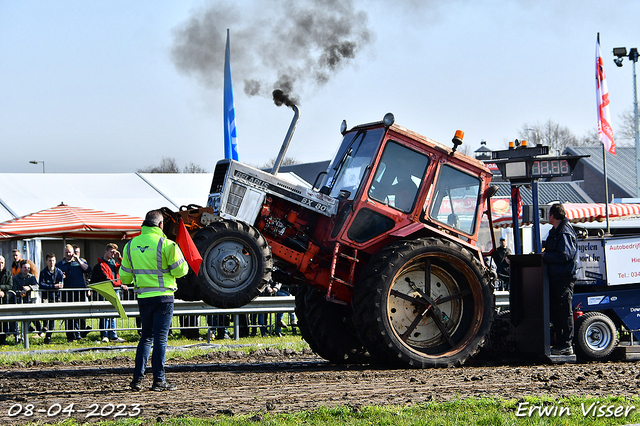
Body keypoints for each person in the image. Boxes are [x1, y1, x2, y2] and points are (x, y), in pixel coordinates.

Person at [121, 210, 188, 392]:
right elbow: (181, 271)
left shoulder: (130, 245)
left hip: (143, 298)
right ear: (160, 225)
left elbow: (125, 278)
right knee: (160, 339)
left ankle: (137, 380)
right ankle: (159, 380)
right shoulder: (167, 244)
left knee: (146, 337)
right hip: (164, 298)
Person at [543, 203, 579, 356]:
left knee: (564, 310)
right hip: (557, 276)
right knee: (559, 310)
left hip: (563, 277)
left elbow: (566, 255)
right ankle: (560, 342)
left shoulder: (564, 232)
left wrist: (545, 256)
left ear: (552, 216)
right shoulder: (557, 231)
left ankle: (566, 344)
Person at [91, 243, 127, 343]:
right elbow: (107, 279)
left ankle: (113, 335)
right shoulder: (101, 265)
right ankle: (105, 334)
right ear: (106, 251)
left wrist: (120, 258)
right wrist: (119, 285)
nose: (112, 254)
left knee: (114, 313)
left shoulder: (114, 264)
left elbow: (125, 268)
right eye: (111, 252)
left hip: (115, 290)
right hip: (106, 291)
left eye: (114, 252)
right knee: (105, 313)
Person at [57, 244, 92, 342]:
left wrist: (79, 261)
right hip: (67, 293)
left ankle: (80, 333)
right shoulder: (60, 264)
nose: (68, 254)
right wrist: (61, 278)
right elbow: (56, 277)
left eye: (70, 252)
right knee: (69, 315)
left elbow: (88, 269)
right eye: (66, 252)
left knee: (81, 314)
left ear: (73, 252)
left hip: (79, 292)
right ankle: (70, 336)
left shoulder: (80, 261)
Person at [12, 259, 43, 337]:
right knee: (18, 318)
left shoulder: (31, 277)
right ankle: (18, 334)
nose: (27, 269)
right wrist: (20, 293)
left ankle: (39, 331)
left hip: (30, 300)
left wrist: (29, 288)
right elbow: (14, 289)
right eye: (25, 267)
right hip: (20, 301)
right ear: (21, 268)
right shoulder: (16, 278)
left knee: (33, 316)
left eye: (28, 268)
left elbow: (37, 286)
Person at [39, 253, 64, 344]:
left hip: (56, 297)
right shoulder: (43, 272)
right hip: (46, 297)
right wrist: (53, 286)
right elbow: (41, 284)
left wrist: (57, 286)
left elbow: (61, 284)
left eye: (53, 260)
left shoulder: (59, 272)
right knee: (46, 315)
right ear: (46, 261)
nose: (51, 262)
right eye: (50, 260)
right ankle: (44, 326)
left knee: (52, 318)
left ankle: (48, 336)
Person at [0, 255, 13, 345]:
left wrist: (1, 289)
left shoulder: (7, 273)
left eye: (1, 263)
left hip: (4, 300)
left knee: (4, 321)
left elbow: (10, 285)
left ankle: (3, 339)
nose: (0, 264)